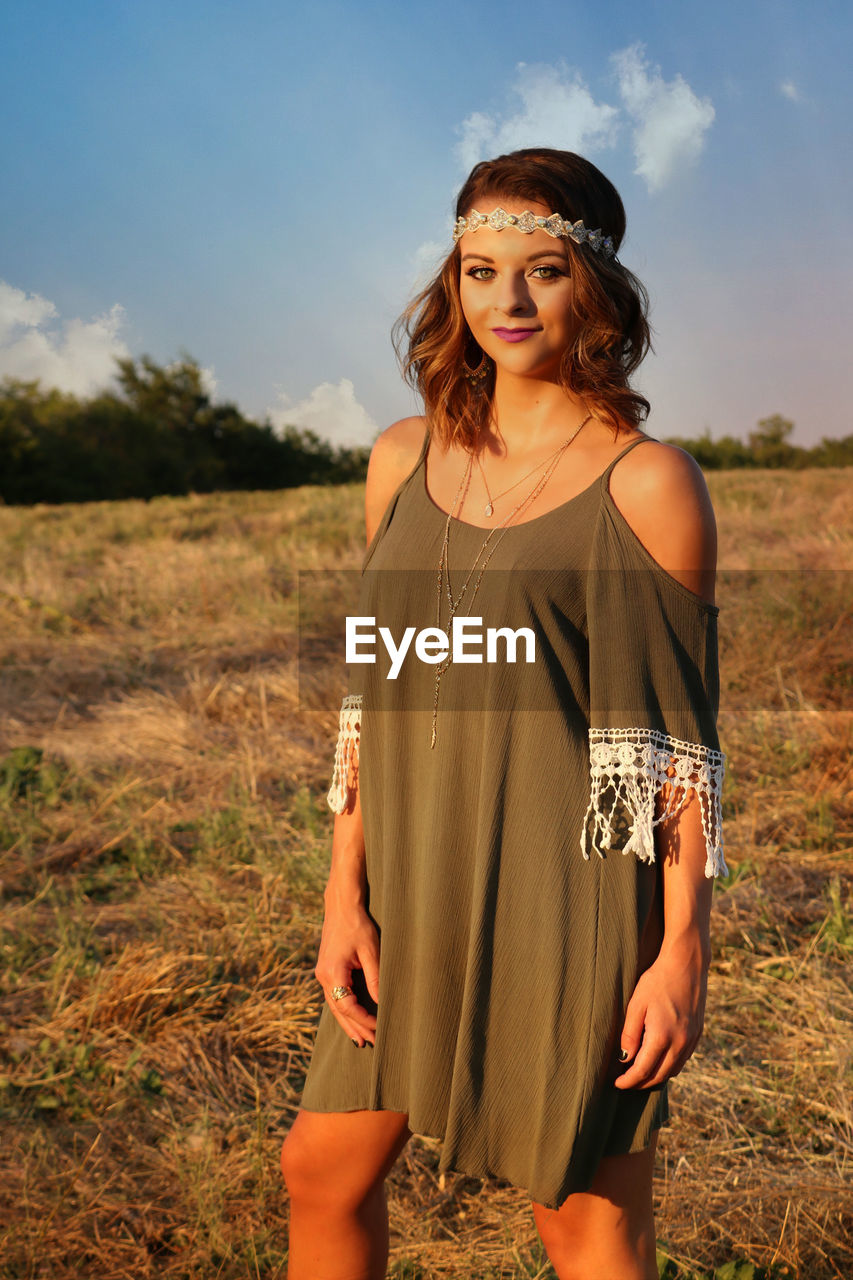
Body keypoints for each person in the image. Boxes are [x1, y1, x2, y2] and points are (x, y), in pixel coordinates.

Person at [281, 148, 726, 1280]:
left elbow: (674, 751)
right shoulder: (399, 459)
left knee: (580, 1221)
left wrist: (679, 950)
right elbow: (370, 700)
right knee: (319, 1171)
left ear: (598, 290)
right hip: (411, 884)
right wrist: (345, 893)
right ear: (452, 283)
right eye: (480, 271)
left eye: (540, 271)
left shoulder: (646, 484)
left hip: (564, 902)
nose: (507, 302)